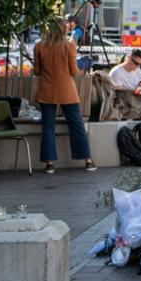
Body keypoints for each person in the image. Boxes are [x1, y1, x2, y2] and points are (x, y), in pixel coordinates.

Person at [34, 16, 96, 174]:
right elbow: (73, 72)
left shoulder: (39, 46)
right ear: (64, 29)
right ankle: (88, 161)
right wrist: (84, 68)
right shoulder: (69, 45)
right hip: (67, 91)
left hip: (46, 90)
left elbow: (37, 71)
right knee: (76, 125)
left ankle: (49, 164)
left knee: (48, 126)